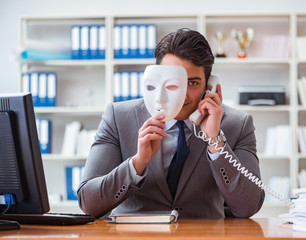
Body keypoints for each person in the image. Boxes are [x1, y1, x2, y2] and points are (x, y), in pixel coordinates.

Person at [77, 28, 265, 218]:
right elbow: (88, 204)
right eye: (173, 82)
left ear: (209, 86)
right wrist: (137, 163)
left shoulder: (238, 124)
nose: (181, 94)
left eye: (191, 83)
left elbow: (248, 207)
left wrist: (216, 142)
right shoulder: (118, 117)